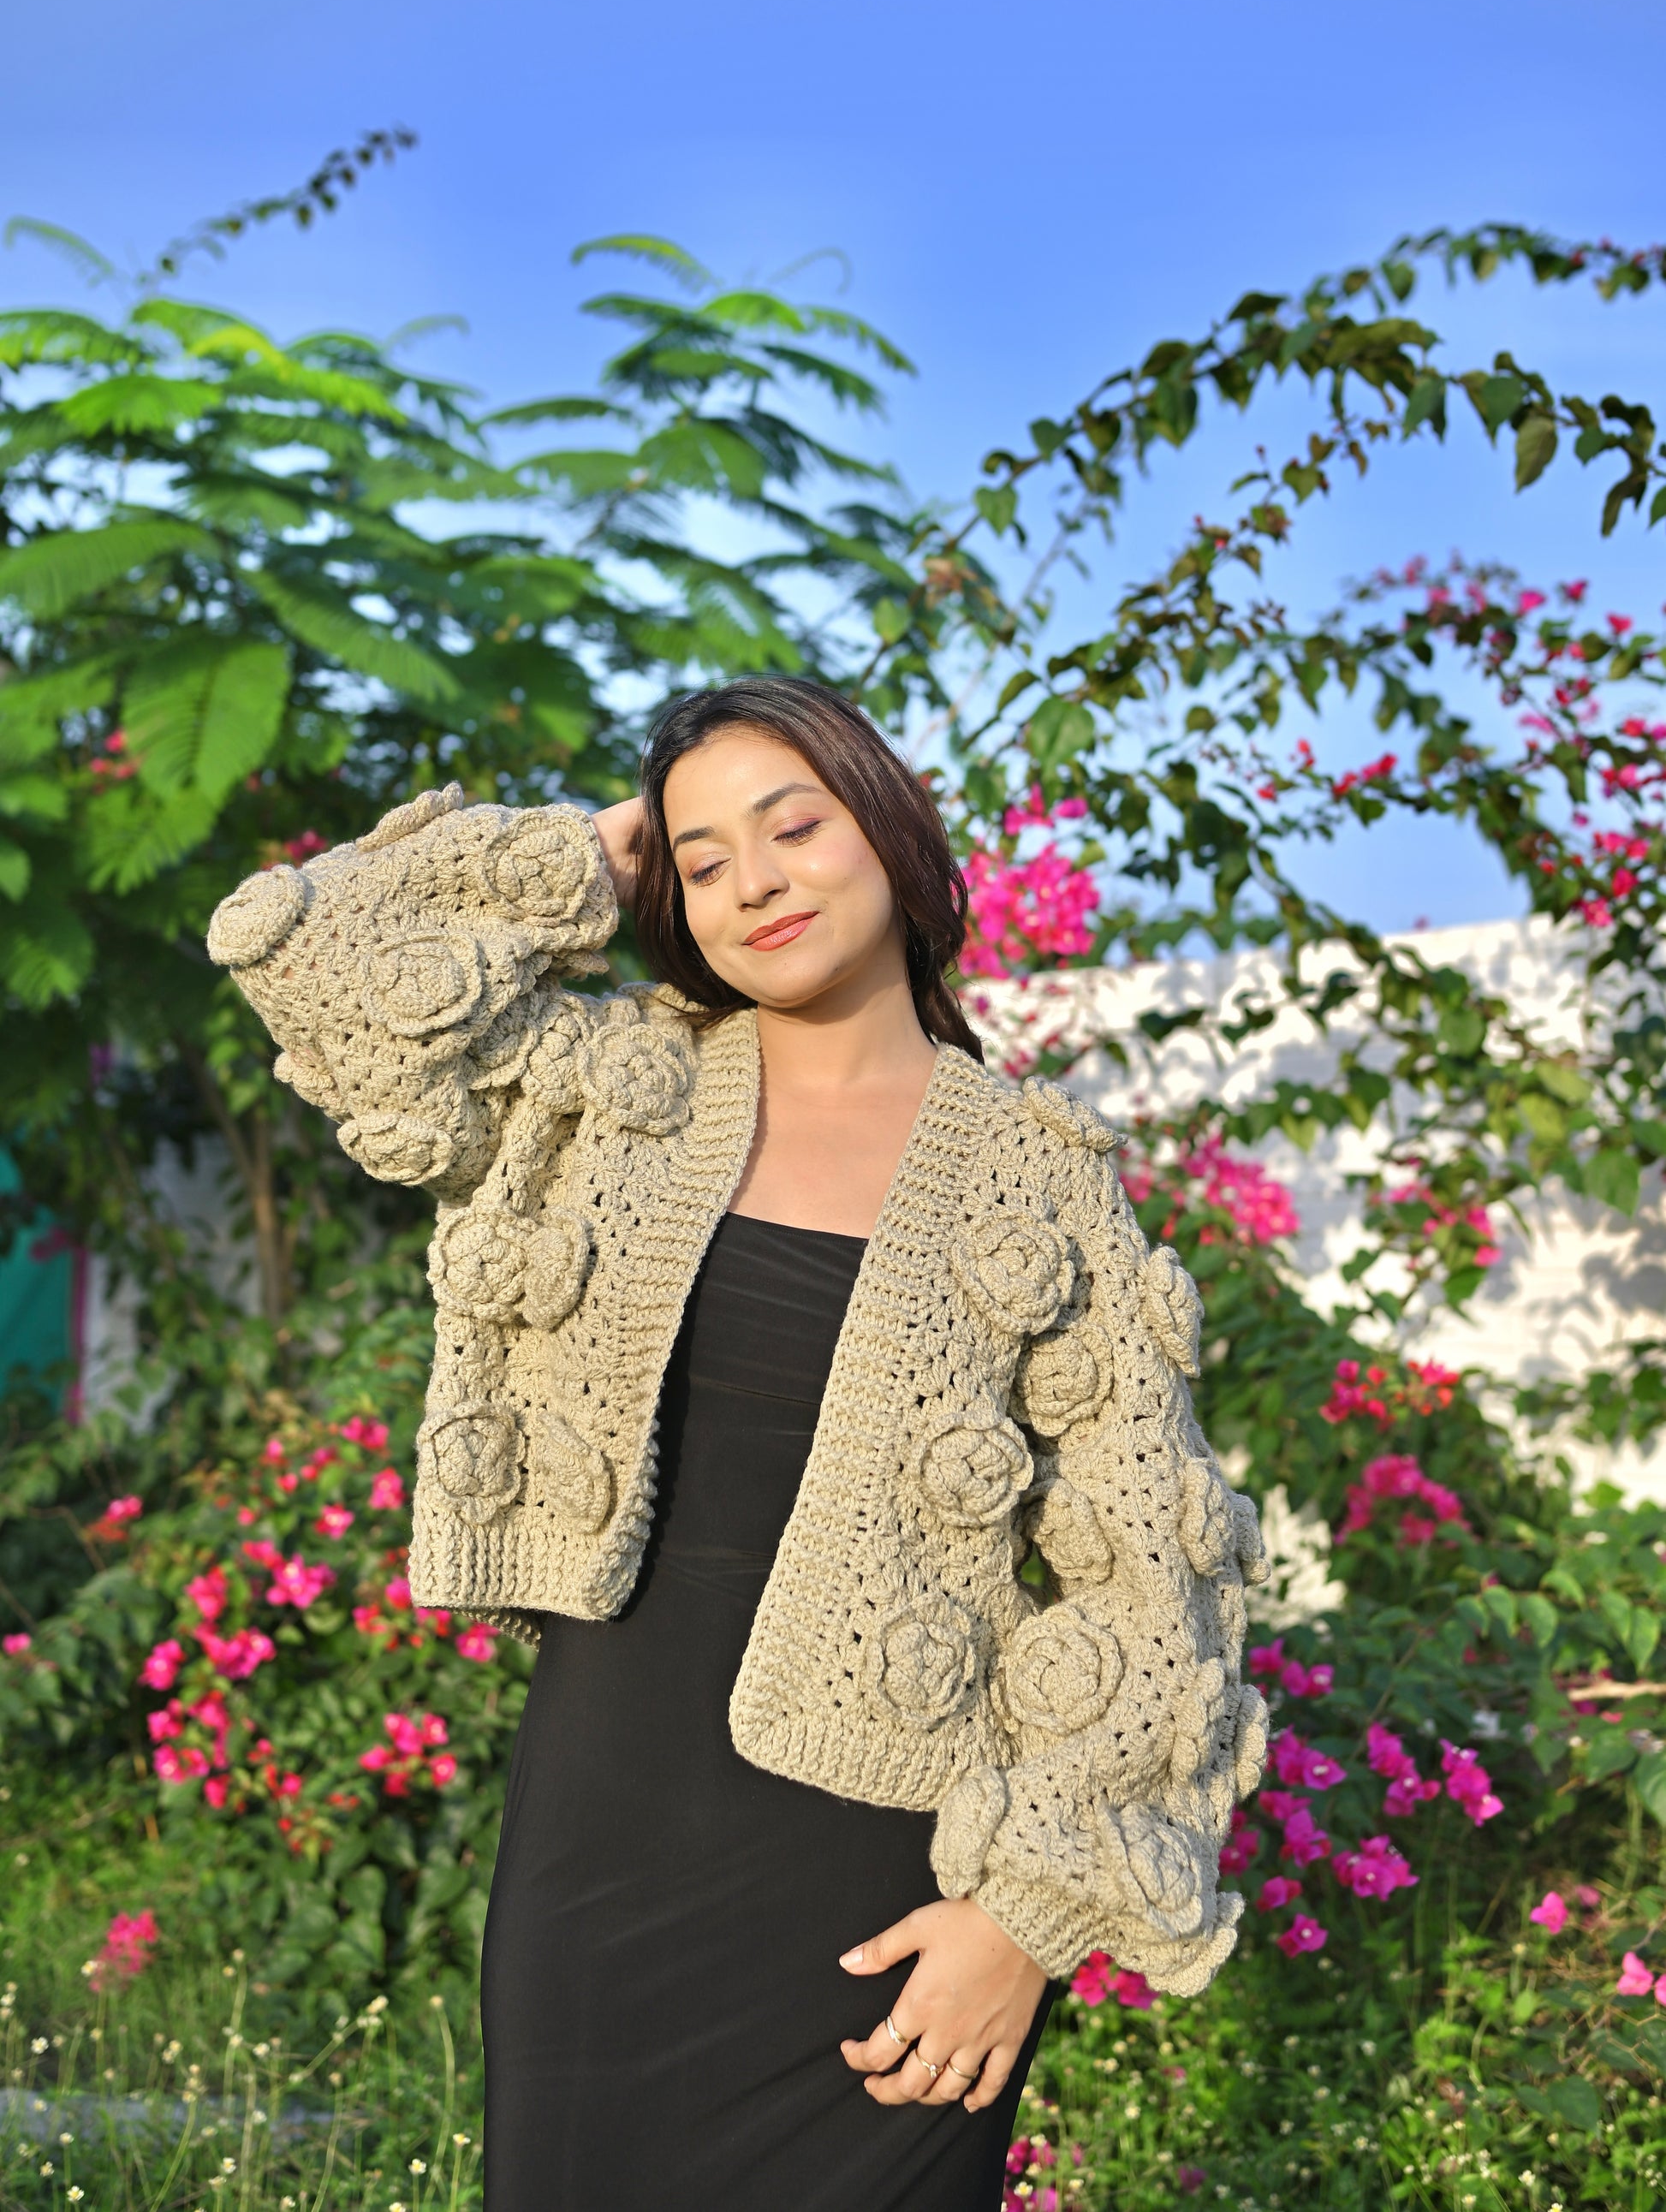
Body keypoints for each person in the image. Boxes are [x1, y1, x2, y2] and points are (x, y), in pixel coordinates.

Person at [205, 675, 1268, 2212]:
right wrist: (592, 854)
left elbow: (1155, 1579)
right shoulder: (608, 1090)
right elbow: (305, 951)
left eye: (794, 826)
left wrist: (1022, 1923)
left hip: (889, 1900)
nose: (754, 882)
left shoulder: (1036, 1183)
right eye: (703, 862)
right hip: (600, 1854)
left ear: (888, 830)